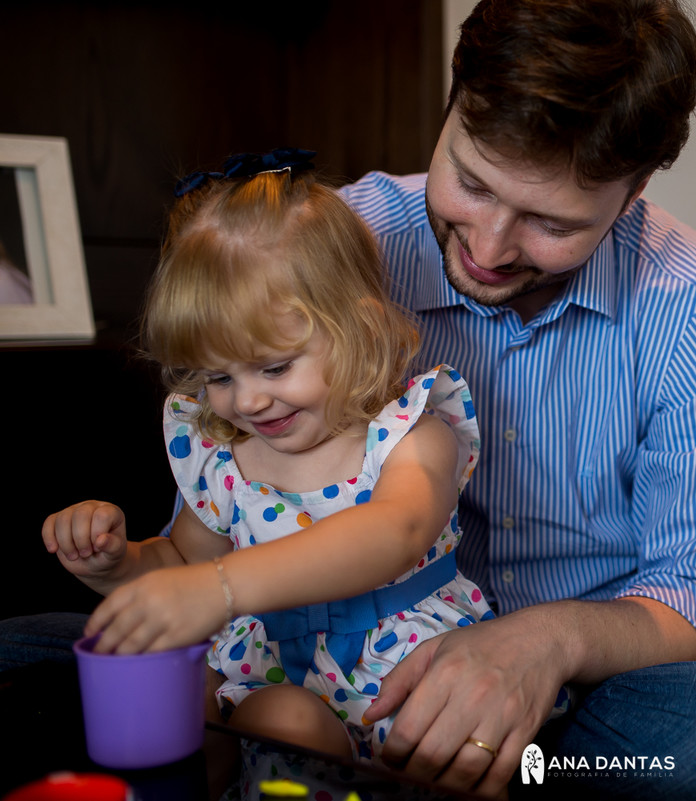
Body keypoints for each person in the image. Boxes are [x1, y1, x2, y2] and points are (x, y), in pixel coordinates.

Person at [333, 1, 696, 798]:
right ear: (452, 103)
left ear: (635, 188)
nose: (487, 247)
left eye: (550, 223)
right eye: (471, 183)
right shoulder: (343, 248)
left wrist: (544, 643)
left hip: (580, 710)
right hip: (353, 667)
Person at [41, 151, 495, 767]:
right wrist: (118, 564)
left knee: (466, 757)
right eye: (218, 376)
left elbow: (395, 531)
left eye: (275, 367)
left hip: (406, 682)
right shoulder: (225, 454)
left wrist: (224, 587)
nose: (248, 400)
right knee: (257, 715)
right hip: (270, 678)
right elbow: (186, 566)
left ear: (360, 330)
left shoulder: (409, 433)